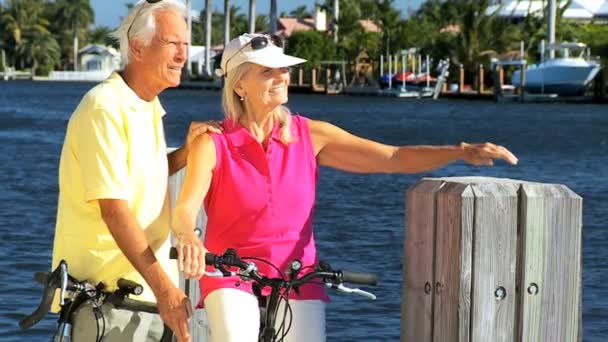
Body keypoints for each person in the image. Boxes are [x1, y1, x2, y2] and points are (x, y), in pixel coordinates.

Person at [171, 33, 519, 342]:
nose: (280, 77)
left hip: (297, 276)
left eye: (283, 69)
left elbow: (393, 157)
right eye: (266, 71)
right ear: (239, 85)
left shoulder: (310, 135)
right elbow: (184, 210)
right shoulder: (213, 142)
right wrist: (187, 237)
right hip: (231, 274)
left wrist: (459, 151)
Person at [51, 1, 219, 341]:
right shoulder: (105, 106)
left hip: (145, 293)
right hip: (108, 298)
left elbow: (143, 177)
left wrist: (186, 153)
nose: (182, 55)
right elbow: (114, 210)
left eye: (185, 45)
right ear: (138, 47)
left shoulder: (146, 106)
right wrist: (166, 290)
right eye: (173, 43)